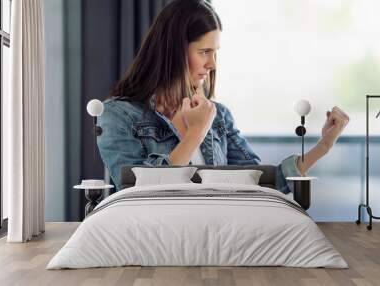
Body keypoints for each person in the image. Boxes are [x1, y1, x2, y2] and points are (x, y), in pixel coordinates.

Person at [97, 0, 350, 192]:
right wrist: (195, 133)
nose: (213, 64)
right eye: (205, 51)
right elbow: (136, 195)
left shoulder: (218, 116)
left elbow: (260, 184)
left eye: (215, 52)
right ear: (173, 51)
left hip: (219, 234)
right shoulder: (118, 116)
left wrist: (323, 146)